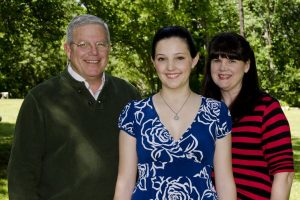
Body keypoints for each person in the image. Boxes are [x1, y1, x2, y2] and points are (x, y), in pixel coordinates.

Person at [7, 14, 140, 200]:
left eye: (101, 44)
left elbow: (143, 164)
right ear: (68, 50)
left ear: (109, 49)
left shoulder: (128, 95)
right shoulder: (40, 99)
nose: (94, 52)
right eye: (83, 44)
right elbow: (22, 176)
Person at [114, 26, 236, 200]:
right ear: (153, 62)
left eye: (179, 58)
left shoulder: (217, 113)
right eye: (162, 59)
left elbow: (224, 181)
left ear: (194, 60)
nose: (170, 67)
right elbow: (125, 182)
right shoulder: (134, 113)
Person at [202, 32, 295, 200]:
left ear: (246, 66)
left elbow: (284, 175)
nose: (223, 67)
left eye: (232, 60)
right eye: (217, 60)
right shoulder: (202, 111)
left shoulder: (266, 109)